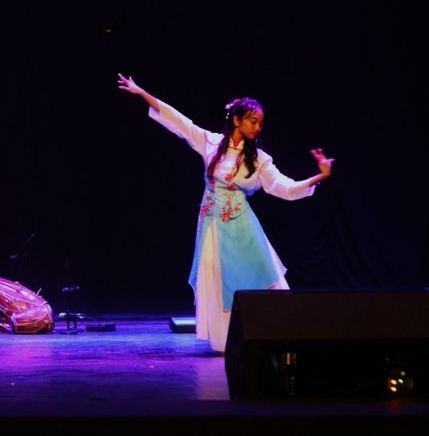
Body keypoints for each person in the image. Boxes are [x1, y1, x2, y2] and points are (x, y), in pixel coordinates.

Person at [117, 75, 334, 352]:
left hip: (242, 225)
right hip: (212, 225)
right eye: (252, 121)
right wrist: (141, 92)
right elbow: (180, 122)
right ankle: (224, 340)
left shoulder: (259, 160)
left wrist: (319, 177)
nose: (257, 127)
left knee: (262, 273)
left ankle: (280, 329)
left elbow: (284, 187)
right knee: (217, 277)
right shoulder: (211, 143)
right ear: (236, 120)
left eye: (260, 123)